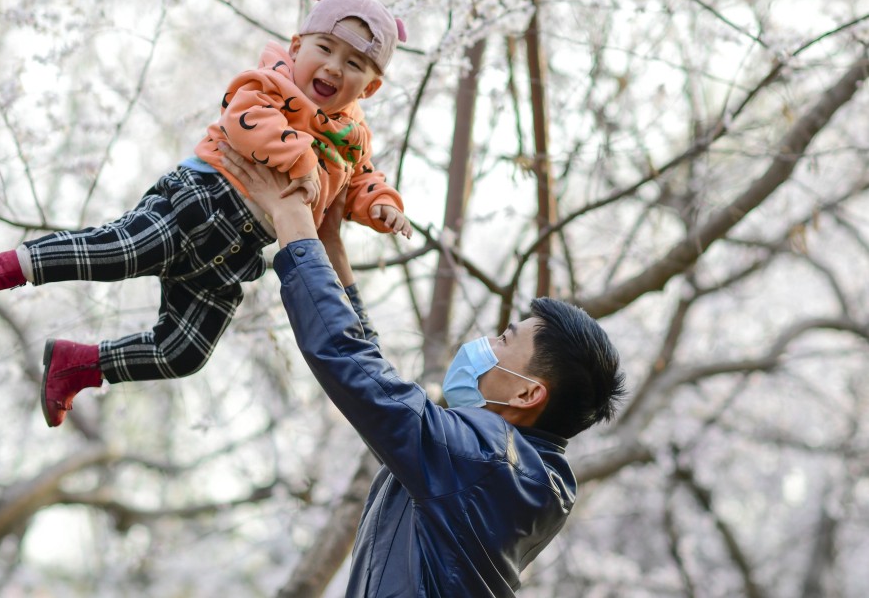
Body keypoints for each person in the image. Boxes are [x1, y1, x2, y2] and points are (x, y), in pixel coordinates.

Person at [0, 0, 413, 427]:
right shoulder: (271, 81)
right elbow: (245, 119)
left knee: (184, 352)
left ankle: (79, 366)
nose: (333, 68)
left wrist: (382, 207)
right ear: (296, 47)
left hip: (237, 254)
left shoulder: (352, 138)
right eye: (325, 49)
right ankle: (2, 268)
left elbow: (361, 181)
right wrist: (299, 155)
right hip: (202, 202)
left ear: (369, 89)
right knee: (120, 251)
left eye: (353, 64)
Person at [218, 144, 627, 596]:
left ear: (528, 394)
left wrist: (289, 220)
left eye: (504, 340)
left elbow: (353, 367)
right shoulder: (508, 472)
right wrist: (330, 245)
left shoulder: (485, 460)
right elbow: (376, 382)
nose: (486, 342)